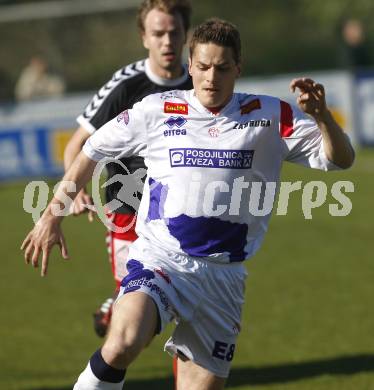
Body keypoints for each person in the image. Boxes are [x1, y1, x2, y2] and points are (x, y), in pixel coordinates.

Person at [21, 18, 354, 390]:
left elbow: (340, 158)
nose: (212, 77)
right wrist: (52, 215)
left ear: (238, 68)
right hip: (162, 259)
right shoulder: (157, 110)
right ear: (190, 65)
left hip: (223, 279)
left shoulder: (269, 115)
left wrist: (323, 117)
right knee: (124, 341)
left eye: (223, 68)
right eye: (204, 67)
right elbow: (92, 150)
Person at [63, 0, 192, 338]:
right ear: (144, 37)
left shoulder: (201, 83)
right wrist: (75, 191)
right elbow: (76, 145)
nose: (167, 41)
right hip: (127, 207)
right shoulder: (126, 85)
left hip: (183, 210)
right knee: (135, 320)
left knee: (187, 310)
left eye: (174, 32)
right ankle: (115, 309)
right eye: (158, 33)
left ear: (185, 34)